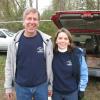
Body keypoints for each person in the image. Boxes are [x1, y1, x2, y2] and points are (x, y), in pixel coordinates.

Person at [4, 7, 53, 100]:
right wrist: (8, 87)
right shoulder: (14, 42)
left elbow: (50, 65)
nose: (32, 22)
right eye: (29, 18)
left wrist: (50, 85)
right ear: (24, 21)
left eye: (35, 19)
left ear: (38, 22)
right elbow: (9, 65)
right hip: (21, 87)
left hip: (42, 86)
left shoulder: (46, 41)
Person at [52, 28, 88, 100]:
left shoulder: (77, 54)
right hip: (56, 92)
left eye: (66, 38)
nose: (63, 41)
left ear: (69, 41)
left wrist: (82, 89)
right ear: (56, 40)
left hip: (72, 92)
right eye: (60, 38)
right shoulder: (51, 54)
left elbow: (84, 72)